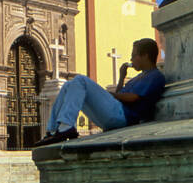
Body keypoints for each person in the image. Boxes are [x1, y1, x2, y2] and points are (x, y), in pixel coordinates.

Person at [35, 39, 165, 146]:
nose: (131, 59)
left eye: (134, 55)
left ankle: (66, 127)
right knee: (69, 85)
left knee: (80, 80)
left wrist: (110, 94)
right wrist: (121, 78)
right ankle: (52, 130)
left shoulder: (155, 76)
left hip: (124, 117)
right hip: (117, 113)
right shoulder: (137, 78)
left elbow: (132, 98)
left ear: (145, 56)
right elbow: (121, 95)